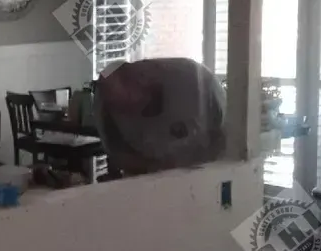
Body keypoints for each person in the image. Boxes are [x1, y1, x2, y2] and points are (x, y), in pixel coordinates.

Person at [92, 57, 226, 176]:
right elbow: (120, 157)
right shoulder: (107, 108)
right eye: (122, 109)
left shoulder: (200, 86)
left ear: (144, 80)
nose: (129, 114)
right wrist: (150, 168)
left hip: (204, 174)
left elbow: (225, 144)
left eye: (133, 105)